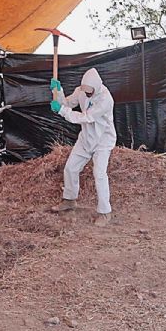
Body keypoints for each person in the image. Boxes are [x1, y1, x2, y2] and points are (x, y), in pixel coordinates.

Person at [49, 68, 117, 227]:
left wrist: (62, 111)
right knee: (70, 168)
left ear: (97, 87)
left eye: (89, 92)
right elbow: (67, 103)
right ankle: (70, 200)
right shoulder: (81, 91)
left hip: (103, 140)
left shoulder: (106, 99)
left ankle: (105, 212)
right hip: (86, 138)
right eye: (84, 91)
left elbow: (85, 117)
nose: (86, 94)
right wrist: (58, 92)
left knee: (99, 174)